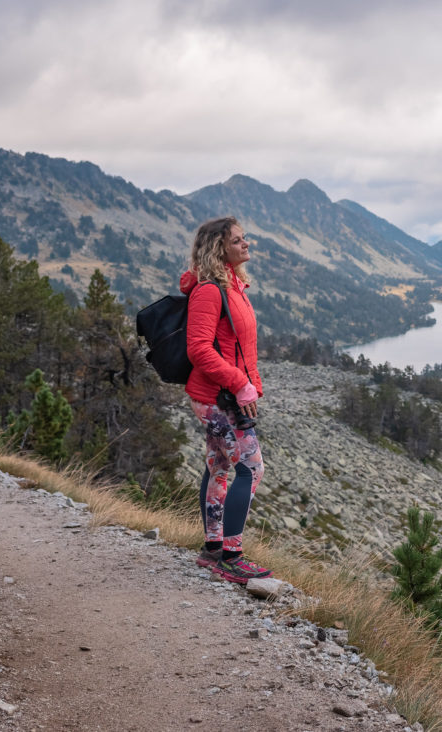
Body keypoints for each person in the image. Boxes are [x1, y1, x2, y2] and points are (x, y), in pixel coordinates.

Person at [180, 217, 271, 583]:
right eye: (238, 240)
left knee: (219, 465)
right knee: (251, 468)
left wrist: (252, 388)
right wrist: (239, 384)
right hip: (214, 397)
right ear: (220, 248)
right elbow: (199, 350)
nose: (246, 244)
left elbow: (244, 349)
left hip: (230, 396)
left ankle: (212, 550)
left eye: (244, 237)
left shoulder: (233, 287)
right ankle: (232, 556)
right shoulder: (208, 292)